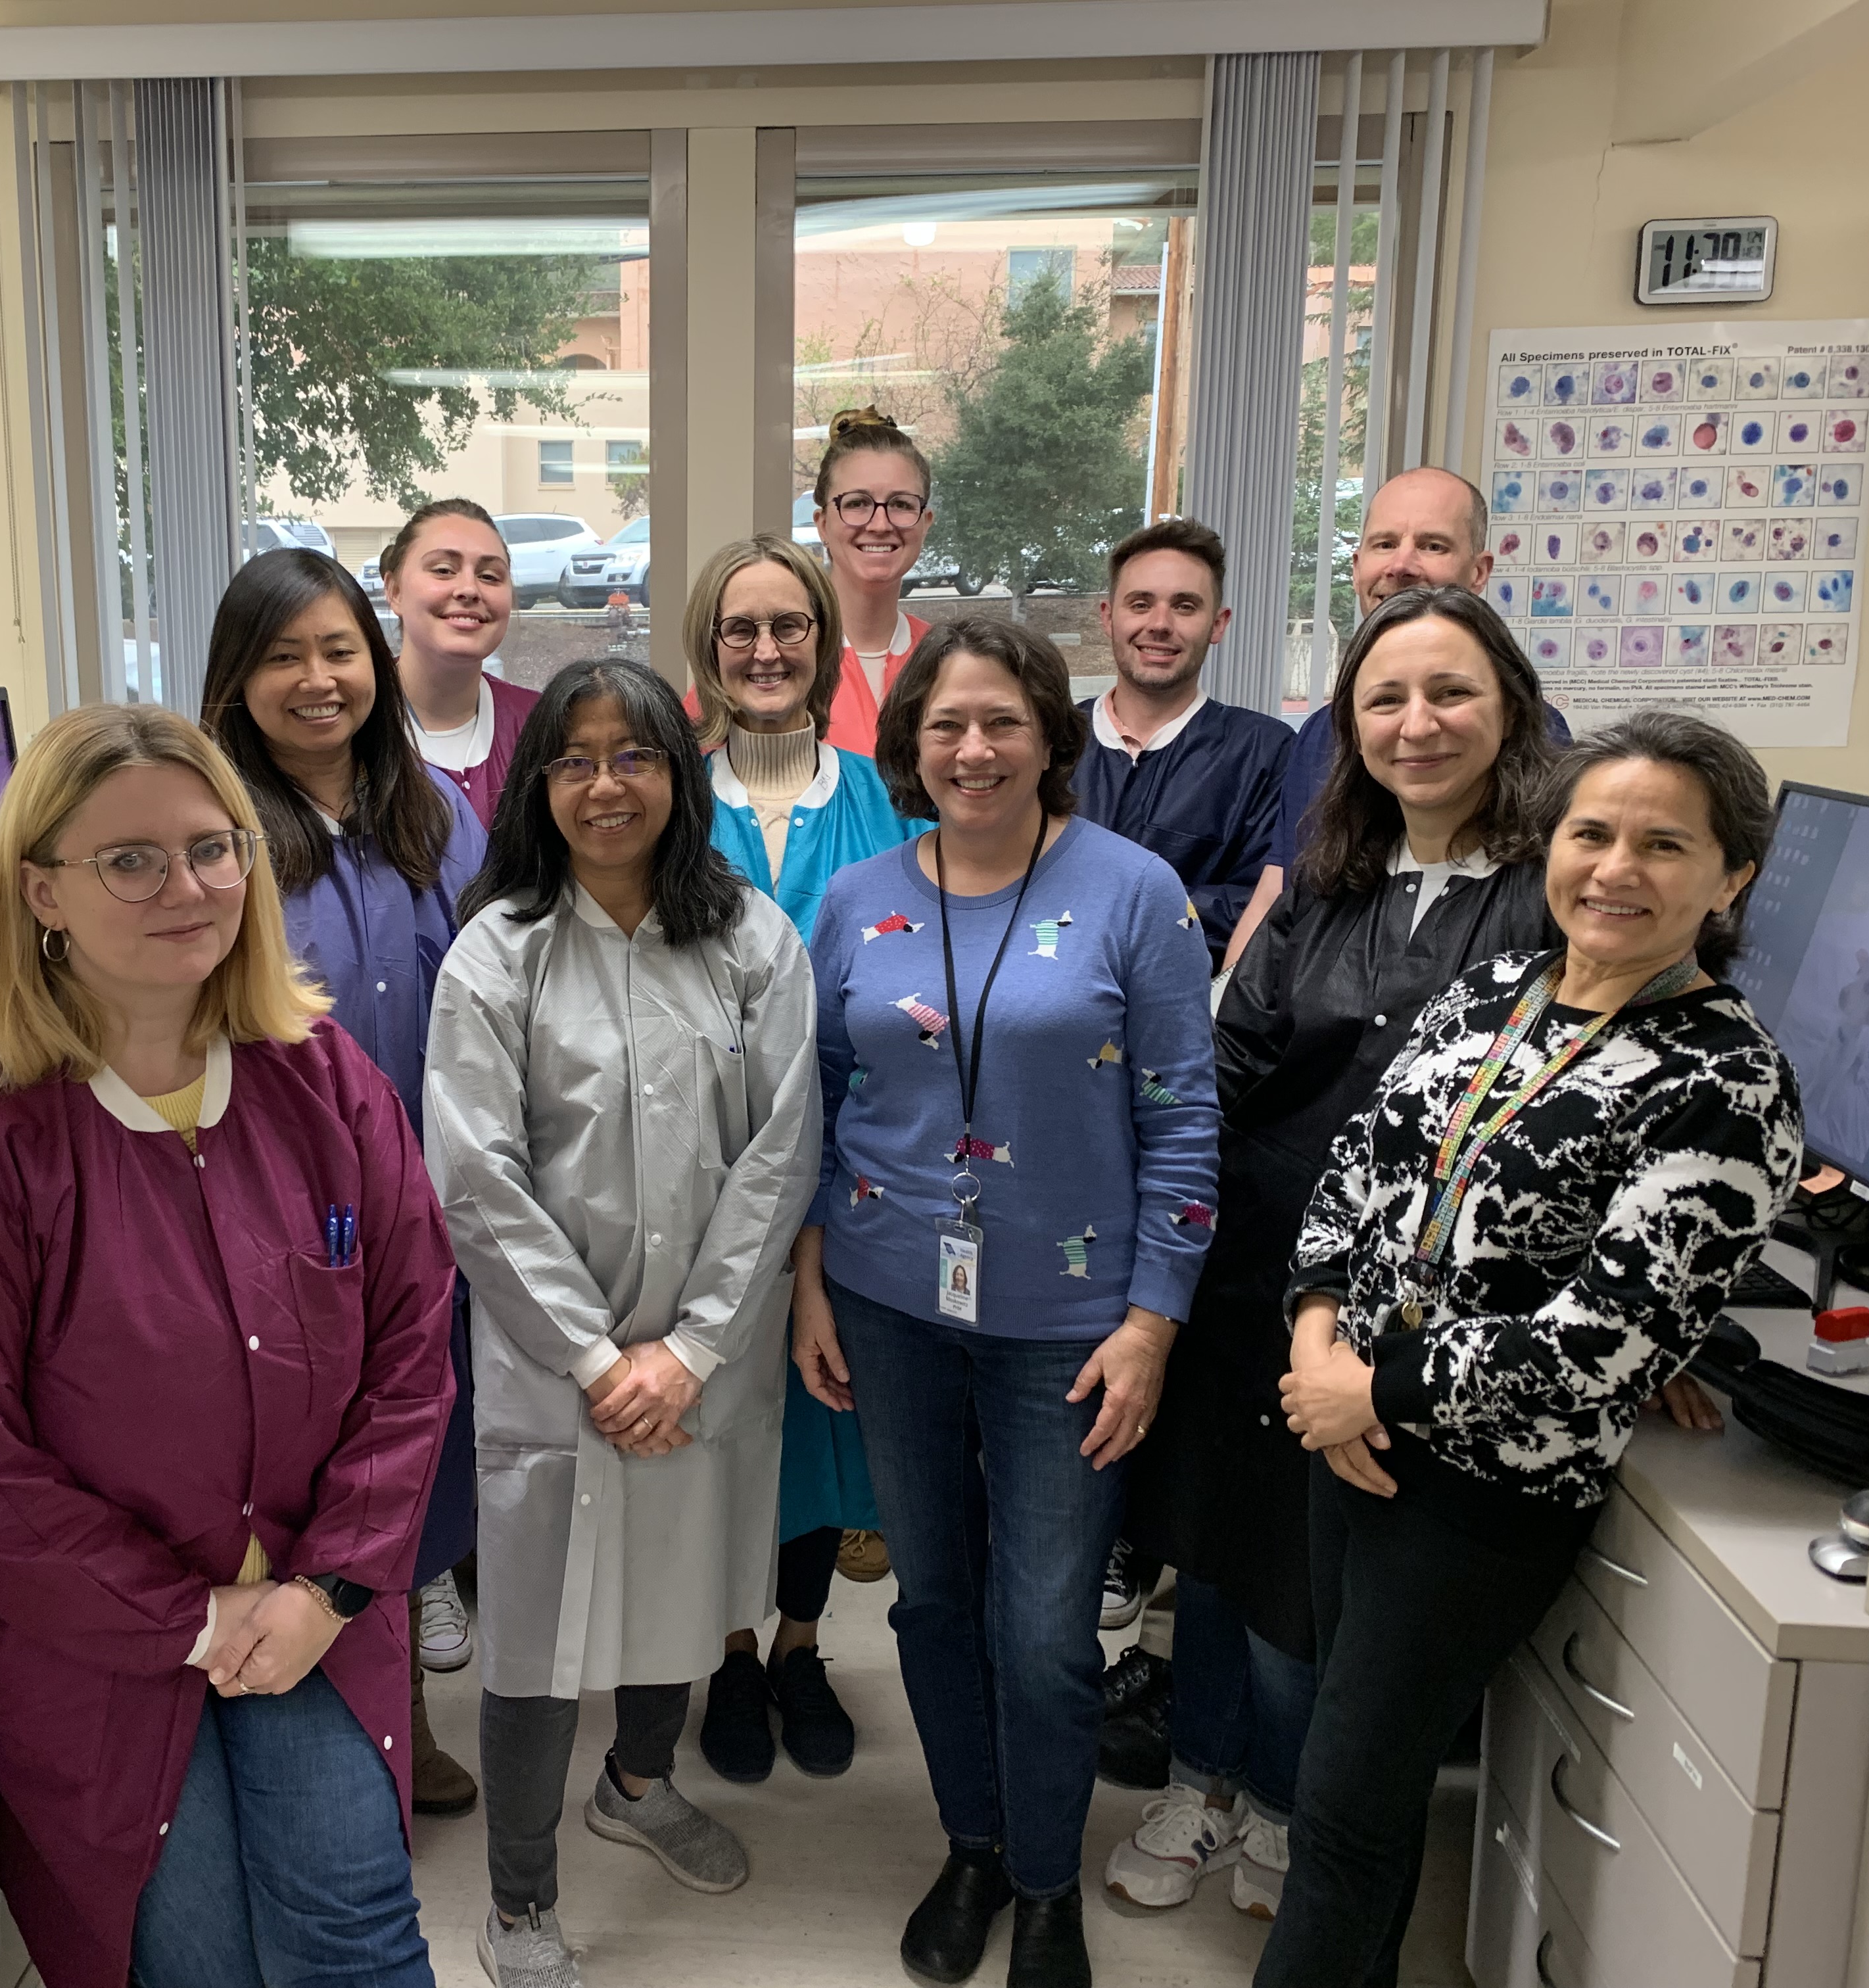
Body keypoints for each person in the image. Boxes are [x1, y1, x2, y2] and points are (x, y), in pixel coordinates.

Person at [0, 703, 457, 1988]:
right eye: (130, 860)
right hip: (101, 1650)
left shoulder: (321, 1079)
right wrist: (184, 1617)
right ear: (40, 894)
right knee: (189, 1963)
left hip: (309, 1613)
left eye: (213, 847)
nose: (186, 888)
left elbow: (410, 1346)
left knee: (359, 1942)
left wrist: (329, 1585)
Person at [1256, 707, 1803, 1986]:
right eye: (1592, 832)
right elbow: (1353, 1172)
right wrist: (1318, 1337)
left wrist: (1360, 1391)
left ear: (1734, 878)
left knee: (1340, 1814)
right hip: (1350, 1431)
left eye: (1664, 845)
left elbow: (1600, 1345)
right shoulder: (1502, 986)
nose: (1615, 869)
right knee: (1357, 1797)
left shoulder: (1727, 1080)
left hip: (1478, 1492)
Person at [1106, 585, 1559, 1928]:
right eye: (1386, 700)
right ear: (1349, 727)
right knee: (1217, 1549)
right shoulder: (1325, 882)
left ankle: (1297, 1810)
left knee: (1314, 1596)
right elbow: (1227, 1061)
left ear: (1511, 709)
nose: (1418, 725)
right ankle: (1200, 1785)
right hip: (1252, 1274)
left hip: (1408, 1321)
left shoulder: (1554, 894)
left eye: (1451, 694)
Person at [792, 619, 1220, 1988]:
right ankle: (972, 1844)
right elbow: (814, 1100)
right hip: (885, 1302)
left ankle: (1047, 1882)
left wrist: (1152, 1322)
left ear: (1050, 733)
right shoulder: (858, 898)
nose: (974, 751)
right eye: (946, 726)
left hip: (1071, 1330)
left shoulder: (1134, 891)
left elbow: (1185, 1118)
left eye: (1003, 723)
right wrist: (807, 1277)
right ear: (908, 745)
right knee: (929, 1604)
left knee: (1043, 1635)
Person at [423, 658, 823, 1988]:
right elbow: (477, 1177)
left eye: (635, 755)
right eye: (578, 758)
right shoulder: (499, 953)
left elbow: (781, 1153)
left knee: (683, 1583)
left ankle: (640, 1787)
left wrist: (693, 1347)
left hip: (707, 1356)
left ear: (679, 773)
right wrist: (602, 1361)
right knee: (533, 1629)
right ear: (541, 784)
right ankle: (523, 1901)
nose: (607, 785)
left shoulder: (752, 939)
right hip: (558, 1366)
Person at [199, 546, 490, 1818]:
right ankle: (318, 1726)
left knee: (422, 1453)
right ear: (236, 678)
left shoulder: (433, 813)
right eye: (281, 655)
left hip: (437, 1198)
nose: (316, 680)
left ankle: (402, 1716)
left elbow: (496, 996)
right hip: (282, 1219)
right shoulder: (215, 833)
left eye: (336, 651)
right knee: (305, 1472)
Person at [678, 533, 924, 1787]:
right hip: (692, 1182)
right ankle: (721, 1648)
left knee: (824, 1428)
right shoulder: (667, 797)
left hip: (853, 1173)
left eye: (789, 627)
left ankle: (796, 1642)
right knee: (716, 1420)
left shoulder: (888, 796)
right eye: (740, 629)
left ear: (826, 646)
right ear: (706, 649)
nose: (765, 650)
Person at [1224, 467, 1505, 969]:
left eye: (1433, 546)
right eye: (1384, 544)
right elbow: (1278, 891)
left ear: (1479, 571)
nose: (1401, 565)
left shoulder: (1519, 732)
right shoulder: (1318, 734)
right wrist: (1223, 1007)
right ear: (1356, 568)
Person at [1070, 518, 1292, 968]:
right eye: (1140, 604)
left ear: (1218, 624)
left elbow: (1258, 910)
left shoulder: (1265, 754)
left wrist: (1098, 913)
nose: (1160, 624)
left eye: (1185, 606)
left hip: (1188, 1018)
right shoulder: (1050, 742)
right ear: (1108, 616)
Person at [383, 497, 541, 825]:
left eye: (490, 576)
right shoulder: (349, 726)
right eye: (443, 570)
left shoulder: (542, 725)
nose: (469, 589)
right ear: (395, 590)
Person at [811, 406, 936, 755]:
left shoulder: (948, 661)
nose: (880, 524)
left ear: (925, 522)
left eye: (900, 504)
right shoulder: (773, 656)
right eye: (857, 503)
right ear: (822, 524)